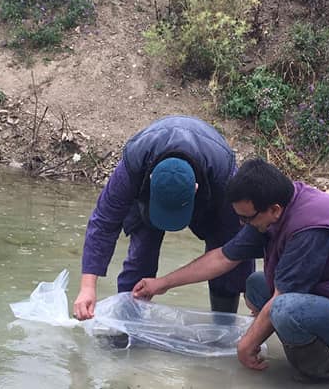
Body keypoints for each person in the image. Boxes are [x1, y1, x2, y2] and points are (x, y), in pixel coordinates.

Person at [132, 158, 329, 381]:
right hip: (326, 297)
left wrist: (246, 345)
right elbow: (224, 257)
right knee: (256, 284)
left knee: (284, 310)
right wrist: (161, 283)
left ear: (274, 210)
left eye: (246, 219)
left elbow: (282, 298)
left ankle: (320, 375)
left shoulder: (309, 228)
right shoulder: (275, 210)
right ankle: (303, 349)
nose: (241, 225)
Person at [72, 116, 253, 320]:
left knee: (227, 265)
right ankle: (127, 327)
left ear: (195, 190)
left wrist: (248, 288)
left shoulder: (224, 174)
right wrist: (87, 287)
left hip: (211, 183)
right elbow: (104, 222)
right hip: (149, 191)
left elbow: (237, 243)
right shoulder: (134, 162)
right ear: (150, 182)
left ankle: (223, 326)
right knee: (141, 256)